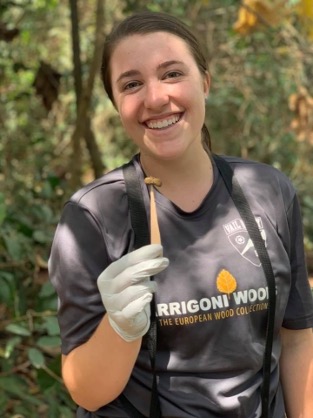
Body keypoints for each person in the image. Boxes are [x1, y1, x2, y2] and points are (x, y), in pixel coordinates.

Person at [48, 10, 313, 418]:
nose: (155, 98)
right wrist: (120, 329)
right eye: (132, 84)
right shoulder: (92, 215)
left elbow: (297, 339)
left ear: (205, 83)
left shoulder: (269, 190)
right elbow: (88, 393)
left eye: (172, 74)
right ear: (117, 104)